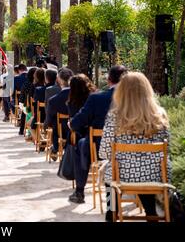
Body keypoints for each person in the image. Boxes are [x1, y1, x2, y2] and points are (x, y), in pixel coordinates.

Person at [99, 72, 171, 220]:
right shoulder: (160, 115)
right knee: (145, 175)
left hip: (121, 176)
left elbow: (105, 152)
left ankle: (112, 213)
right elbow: (167, 148)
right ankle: (152, 213)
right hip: (154, 176)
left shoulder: (114, 116)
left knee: (110, 179)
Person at [68, 65, 127, 206]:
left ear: (109, 79)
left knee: (80, 146)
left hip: (100, 148)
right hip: (129, 149)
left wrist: (73, 124)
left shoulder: (97, 98)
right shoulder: (136, 100)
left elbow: (80, 120)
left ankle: (80, 191)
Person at [45, 67, 74, 161]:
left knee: (54, 124)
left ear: (59, 80)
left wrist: (47, 125)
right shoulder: (79, 97)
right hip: (75, 130)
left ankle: (55, 147)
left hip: (59, 131)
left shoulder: (53, 100)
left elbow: (49, 119)